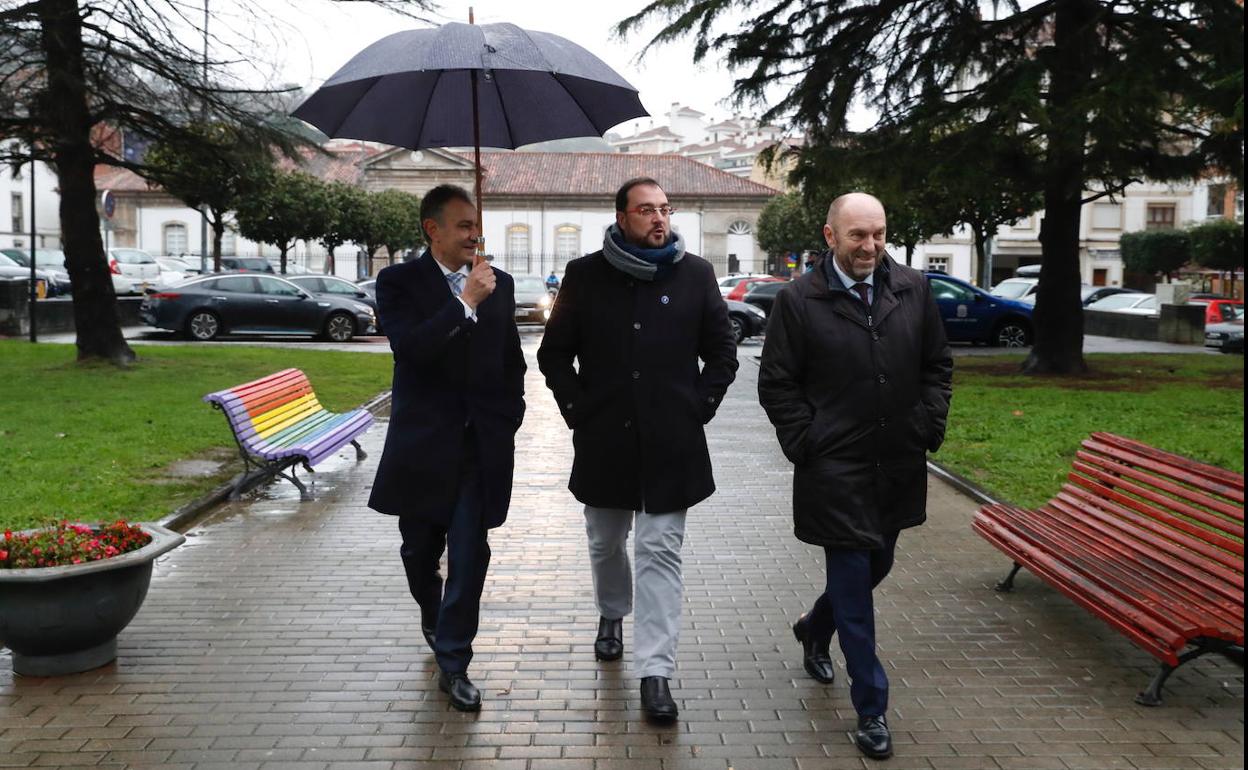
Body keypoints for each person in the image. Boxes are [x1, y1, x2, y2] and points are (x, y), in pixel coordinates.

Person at [757, 192, 952, 760]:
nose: (869, 247)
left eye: (878, 234)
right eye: (857, 236)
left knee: (878, 563)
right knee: (854, 585)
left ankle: (815, 628)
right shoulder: (799, 299)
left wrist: (926, 423)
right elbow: (778, 383)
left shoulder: (913, 289)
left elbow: (937, 365)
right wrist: (807, 441)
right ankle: (872, 706)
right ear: (830, 237)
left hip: (896, 460)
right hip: (833, 466)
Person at [537, 177, 738, 723]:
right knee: (605, 543)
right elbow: (554, 355)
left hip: (672, 444)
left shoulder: (695, 275)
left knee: (659, 552)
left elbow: (723, 352)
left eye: (665, 209)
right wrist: (579, 412)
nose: (659, 219)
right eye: (646, 210)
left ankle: (656, 673)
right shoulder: (584, 276)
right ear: (622, 217)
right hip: (604, 440)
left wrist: (699, 405)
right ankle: (611, 612)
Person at [367, 184, 526, 713]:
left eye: (476, 225)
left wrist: (507, 418)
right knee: (418, 552)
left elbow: (511, 362)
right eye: (462, 226)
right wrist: (464, 303)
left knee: (469, 552)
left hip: (479, 447)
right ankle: (434, 618)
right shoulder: (398, 283)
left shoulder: (497, 284)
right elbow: (411, 350)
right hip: (423, 446)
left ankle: (454, 662)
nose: (474, 235)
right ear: (432, 230)